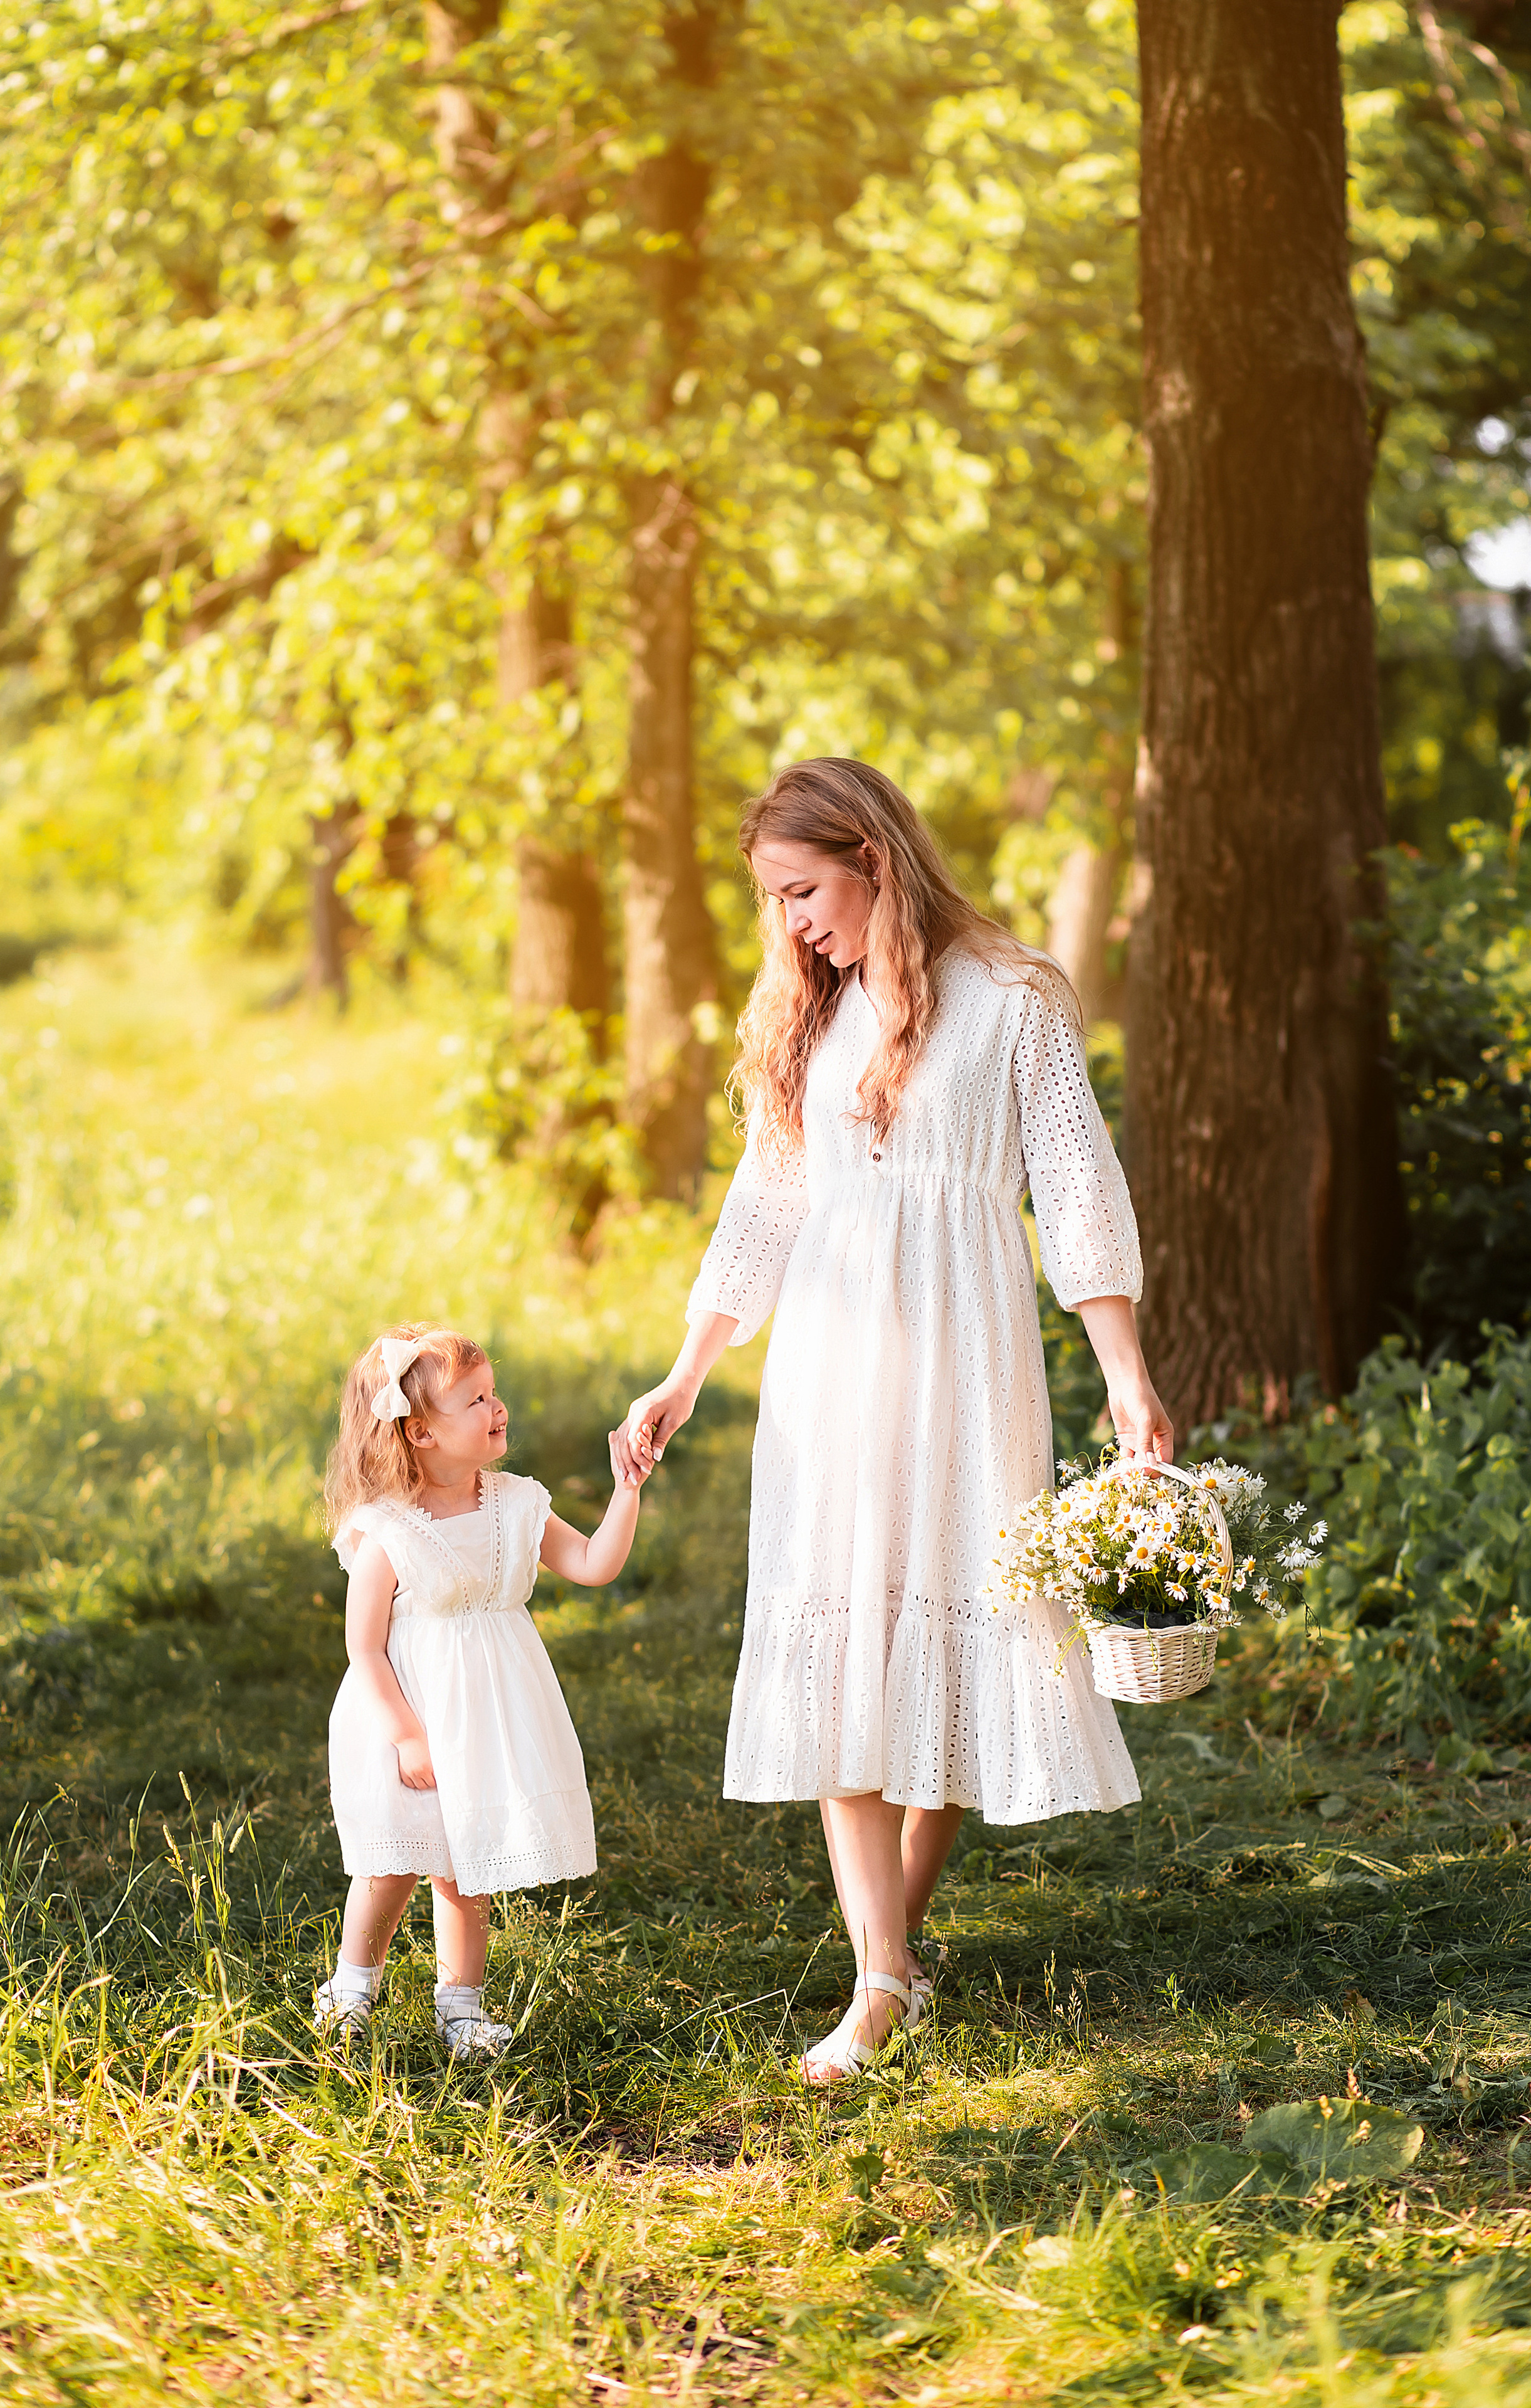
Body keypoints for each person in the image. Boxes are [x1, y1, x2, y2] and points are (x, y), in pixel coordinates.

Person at [615, 759, 1174, 2085]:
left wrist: (1124, 1370)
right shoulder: (804, 1018)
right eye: (772, 901)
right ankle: (876, 1976)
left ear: (872, 854)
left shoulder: (1013, 999)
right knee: (837, 1638)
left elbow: (1075, 1186)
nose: (792, 923)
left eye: (803, 890)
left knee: (958, 1626)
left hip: (968, 1357)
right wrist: (685, 1373)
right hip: (826, 1363)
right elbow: (763, 1202)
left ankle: (896, 1946)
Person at [315, 1322, 648, 2057]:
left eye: (492, 1393)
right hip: (409, 1715)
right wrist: (405, 1733)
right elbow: (362, 1646)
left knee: (467, 1868)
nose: (497, 1408)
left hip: (489, 1715)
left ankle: (461, 2007)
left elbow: (594, 1564)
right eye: (475, 1400)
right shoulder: (388, 1531)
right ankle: (351, 1987)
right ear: (421, 1434)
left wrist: (627, 1490)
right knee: (395, 1863)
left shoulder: (515, 1504)